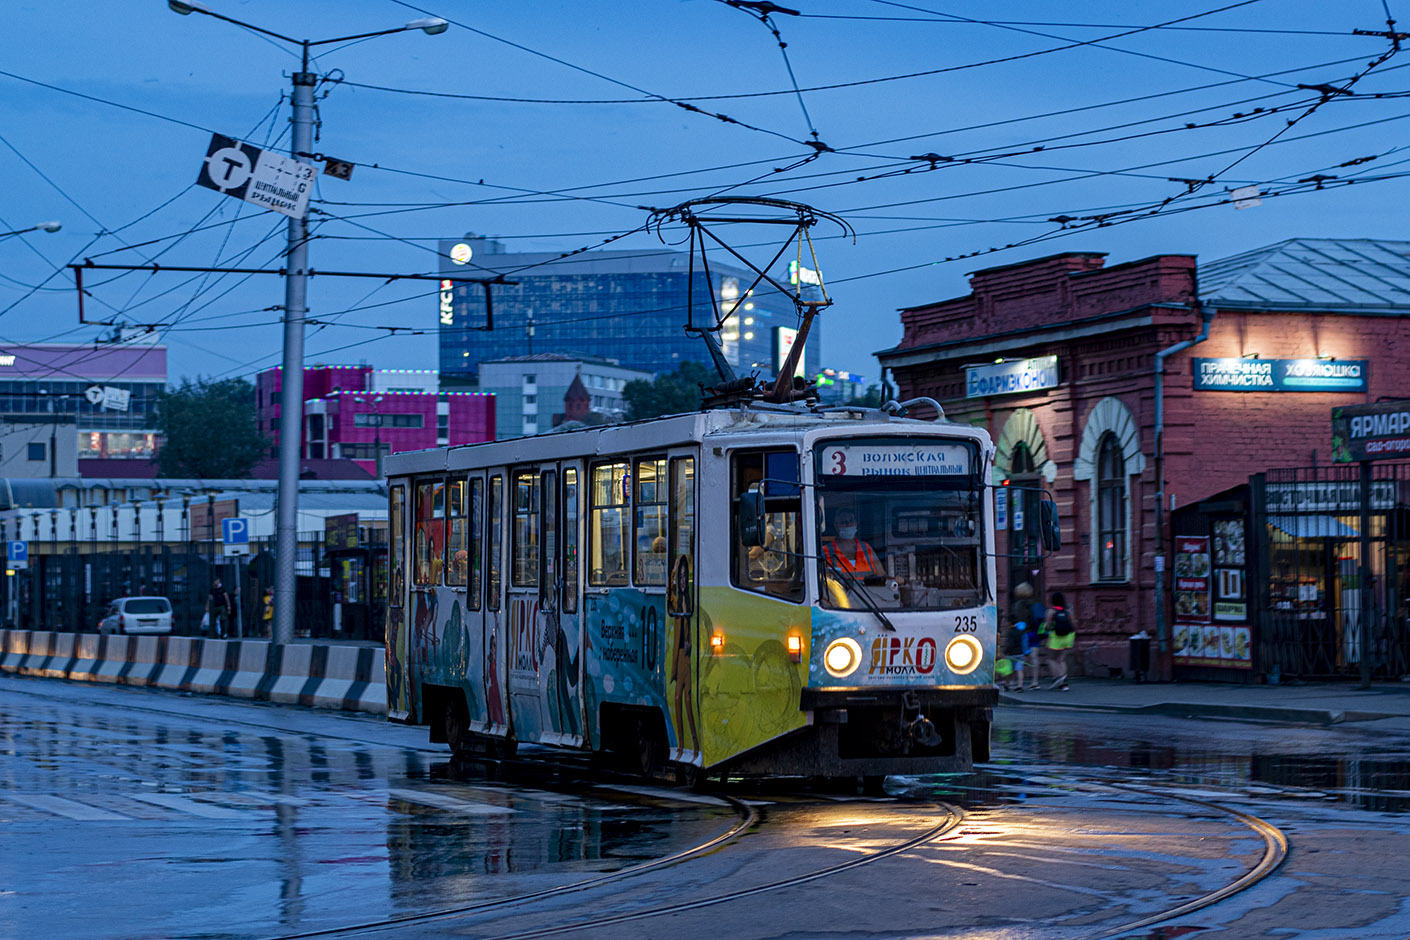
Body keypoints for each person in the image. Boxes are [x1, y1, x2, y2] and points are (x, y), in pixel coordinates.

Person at [822, 509, 887, 579]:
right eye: (843, 522)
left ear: (856, 523)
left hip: (867, 590)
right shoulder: (825, 551)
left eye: (851, 521)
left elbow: (882, 575)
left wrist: (895, 580)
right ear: (836, 525)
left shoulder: (866, 548)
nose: (848, 525)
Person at [1042, 591, 1076, 690]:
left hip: (1056, 637)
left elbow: (1047, 626)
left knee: (1051, 658)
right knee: (1061, 659)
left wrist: (1046, 629)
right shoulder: (1068, 611)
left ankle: (1057, 677)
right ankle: (1063, 682)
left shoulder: (1051, 611)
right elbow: (1074, 624)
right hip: (1068, 637)